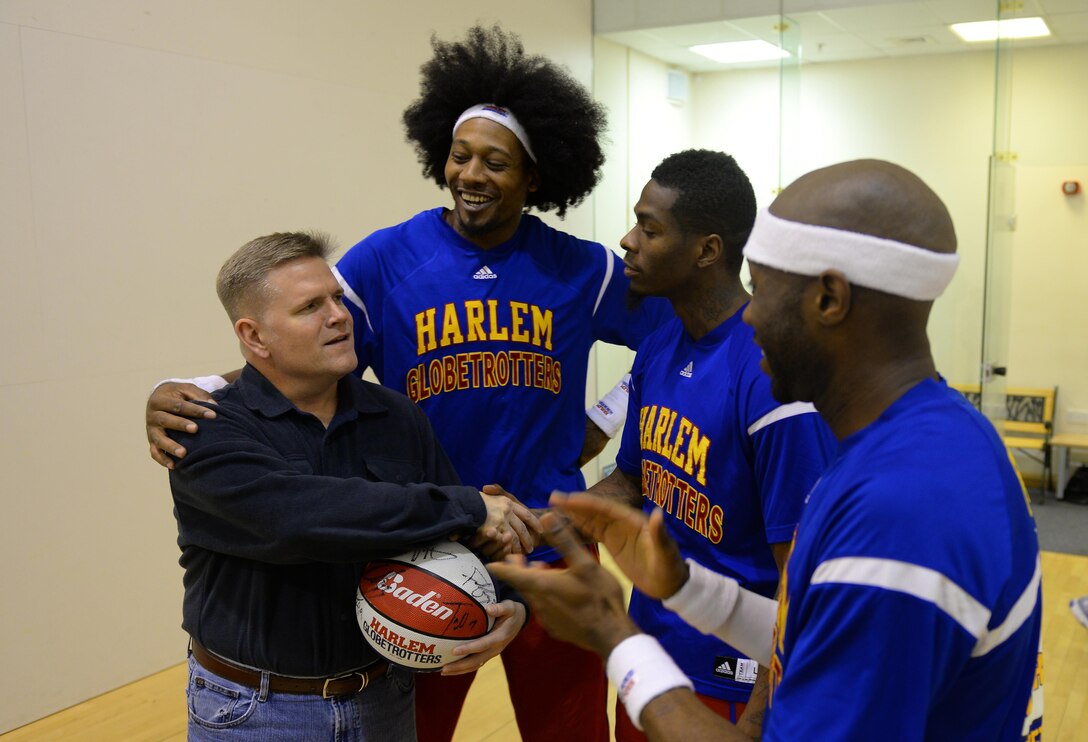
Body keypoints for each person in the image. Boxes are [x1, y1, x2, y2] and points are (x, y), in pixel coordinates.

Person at [145, 25, 672, 742]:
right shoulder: (385, 260)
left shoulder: (583, 267)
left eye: (496, 162)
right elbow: (295, 355)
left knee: (571, 733)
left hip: (548, 545)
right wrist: (198, 384)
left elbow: (675, 339)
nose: (471, 175)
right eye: (460, 156)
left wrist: (612, 427)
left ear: (535, 178)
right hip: (425, 555)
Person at [492, 159, 1045, 741]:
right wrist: (687, 587)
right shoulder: (932, 436)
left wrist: (614, 637)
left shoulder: (898, 514)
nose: (749, 313)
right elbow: (809, 632)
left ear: (829, 299)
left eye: (766, 286)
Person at [171, 231, 538, 741]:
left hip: (384, 700)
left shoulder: (396, 415)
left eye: (337, 298)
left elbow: (466, 542)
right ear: (254, 337)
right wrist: (468, 506)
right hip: (253, 711)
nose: (339, 316)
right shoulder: (202, 429)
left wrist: (507, 602)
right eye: (309, 307)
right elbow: (298, 518)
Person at [586, 149, 834, 739]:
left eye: (650, 228)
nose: (628, 240)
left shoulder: (773, 379)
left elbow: (800, 580)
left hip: (730, 676)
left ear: (707, 250)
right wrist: (549, 518)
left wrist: (755, 723)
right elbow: (632, 481)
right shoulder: (660, 343)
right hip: (649, 647)